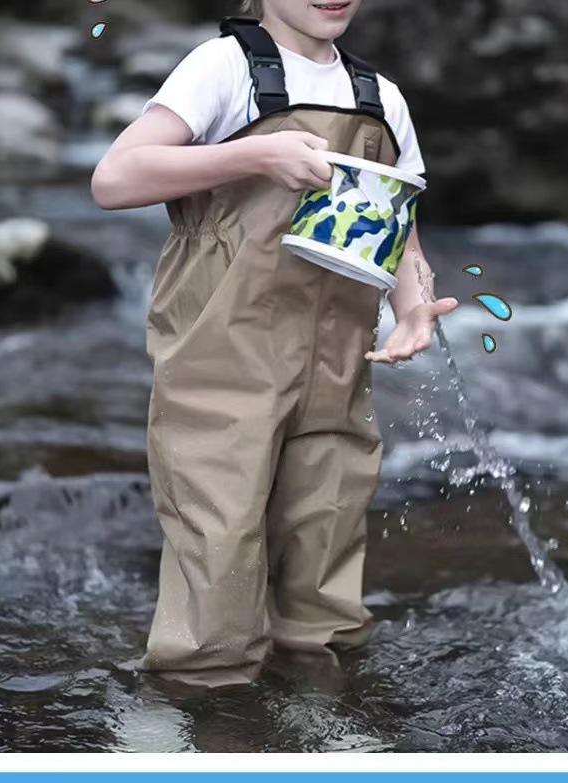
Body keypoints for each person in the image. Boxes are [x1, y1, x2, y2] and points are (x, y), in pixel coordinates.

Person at [91, 0, 458, 688]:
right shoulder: (224, 68)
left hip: (336, 364)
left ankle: (316, 700)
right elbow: (113, 179)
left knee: (326, 538)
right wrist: (254, 154)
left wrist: (412, 304)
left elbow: (399, 222)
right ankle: (200, 705)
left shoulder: (380, 97)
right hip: (221, 357)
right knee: (221, 538)